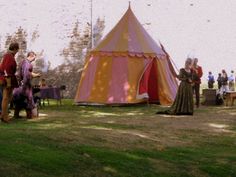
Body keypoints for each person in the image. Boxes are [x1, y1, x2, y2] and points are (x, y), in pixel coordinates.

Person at [13, 51, 40, 119]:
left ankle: (16, 115)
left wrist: (35, 75)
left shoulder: (24, 62)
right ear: (31, 56)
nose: (34, 59)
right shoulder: (27, 64)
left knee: (19, 100)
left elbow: (28, 72)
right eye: (34, 57)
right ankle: (29, 116)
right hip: (25, 86)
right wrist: (26, 85)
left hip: (19, 86)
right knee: (28, 100)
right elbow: (27, 74)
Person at [0, 42, 19, 123]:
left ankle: (3, 115)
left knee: (9, 98)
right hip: (7, 79)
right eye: (17, 49)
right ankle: (5, 117)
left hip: (9, 78)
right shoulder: (9, 56)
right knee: (6, 98)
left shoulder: (9, 56)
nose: (18, 50)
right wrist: (8, 83)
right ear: (14, 49)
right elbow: (7, 70)